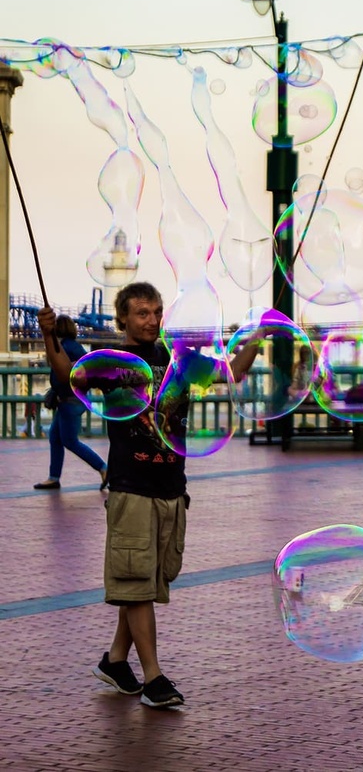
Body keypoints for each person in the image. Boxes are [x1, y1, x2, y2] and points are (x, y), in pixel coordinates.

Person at [37, 282, 260, 709]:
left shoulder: (181, 360)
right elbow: (67, 373)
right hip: (131, 486)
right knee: (138, 584)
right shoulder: (111, 364)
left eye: (157, 312)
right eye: (142, 313)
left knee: (145, 579)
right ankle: (154, 676)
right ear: (122, 318)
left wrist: (256, 337)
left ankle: (116, 660)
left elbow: (232, 371)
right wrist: (50, 335)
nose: (153, 320)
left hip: (172, 487)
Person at [33, 315, 107, 491]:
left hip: (69, 400)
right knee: (55, 437)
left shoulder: (66, 347)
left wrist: (59, 390)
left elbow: (71, 372)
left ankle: (103, 468)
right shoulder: (73, 346)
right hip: (69, 400)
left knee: (70, 441)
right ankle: (53, 477)